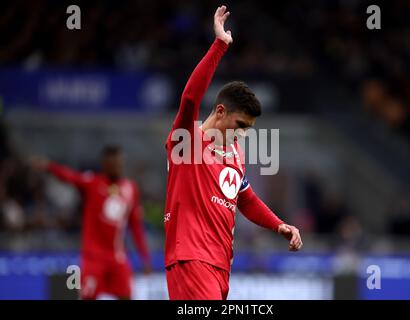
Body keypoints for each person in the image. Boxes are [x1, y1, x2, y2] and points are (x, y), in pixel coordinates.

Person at [164, 5, 302, 300]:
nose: (242, 133)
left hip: (220, 266)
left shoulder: (235, 153)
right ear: (221, 111)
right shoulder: (186, 141)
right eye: (240, 124)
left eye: (248, 128)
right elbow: (189, 98)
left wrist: (279, 225)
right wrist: (219, 46)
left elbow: (245, 199)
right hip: (191, 259)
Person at [30, 145, 151, 299]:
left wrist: (145, 258)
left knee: (126, 295)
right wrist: (49, 166)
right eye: (113, 163)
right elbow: (69, 176)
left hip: (117, 257)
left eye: (119, 163)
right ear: (105, 165)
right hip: (93, 257)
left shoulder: (130, 188)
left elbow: (136, 226)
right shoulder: (92, 183)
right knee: (87, 296)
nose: (117, 167)